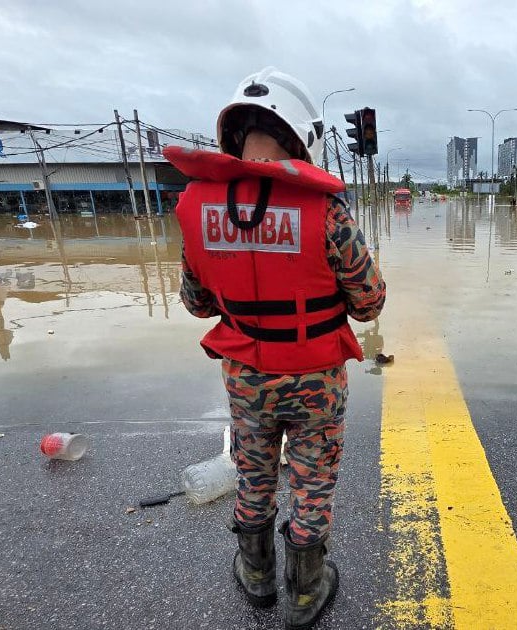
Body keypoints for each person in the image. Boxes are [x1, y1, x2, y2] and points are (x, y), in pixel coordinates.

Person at [165, 67, 385, 629]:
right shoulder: (326, 210)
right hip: (317, 379)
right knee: (312, 481)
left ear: (233, 134)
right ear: (300, 135)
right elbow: (369, 301)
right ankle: (307, 590)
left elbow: (196, 302)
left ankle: (257, 575)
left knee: (255, 471)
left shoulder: (196, 208)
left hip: (245, 379)